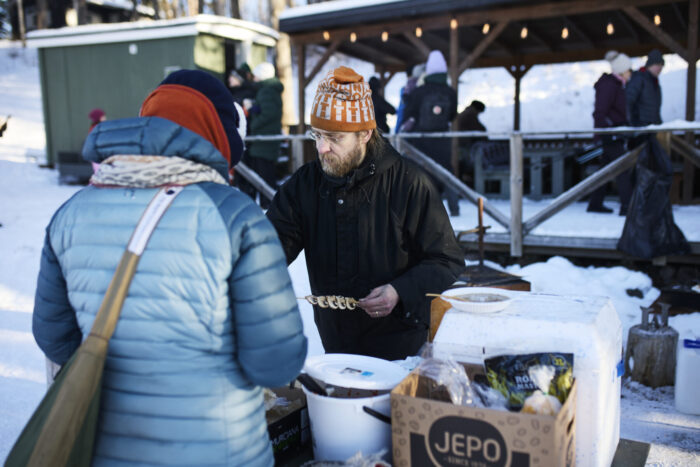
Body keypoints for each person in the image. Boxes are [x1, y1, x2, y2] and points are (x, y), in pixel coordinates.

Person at [32, 69, 307, 466]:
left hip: (109, 449)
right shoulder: (238, 217)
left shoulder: (70, 214)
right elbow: (276, 362)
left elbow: (54, 338)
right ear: (216, 137)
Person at [266, 66, 465, 361]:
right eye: (317, 135)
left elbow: (446, 260)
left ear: (365, 134)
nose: (321, 148)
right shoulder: (305, 185)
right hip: (336, 346)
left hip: (401, 346)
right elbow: (271, 245)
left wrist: (399, 290)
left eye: (334, 137)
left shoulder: (408, 183)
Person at [403, 50, 460, 216]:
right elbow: (453, 115)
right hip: (442, 140)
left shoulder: (420, 91)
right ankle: (454, 208)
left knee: (420, 173)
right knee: (446, 173)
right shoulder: (450, 91)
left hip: (422, 140)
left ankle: (421, 208)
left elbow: (409, 113)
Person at [588, 50, 634, 215]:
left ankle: (595, 203)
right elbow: (600, 112)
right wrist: (610, 130)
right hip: (610, 136)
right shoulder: (609, 86)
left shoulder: (618, 86)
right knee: (622, 169)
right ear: (622, 70)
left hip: (614, 134)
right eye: (629, 70)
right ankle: (627, 206)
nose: (631, 73)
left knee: (605, 171)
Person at [243, 61, 283, 209]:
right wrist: (255, 108)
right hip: (266, 139)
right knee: (264, 174)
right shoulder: (269, 90)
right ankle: (270, 205)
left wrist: (253, 122)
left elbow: (268, 113)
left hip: (264, 140)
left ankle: (269, 206)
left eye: (255, 75)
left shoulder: (267, 90)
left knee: (264, 175)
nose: (253, 78)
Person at [626, 49, 664, 127]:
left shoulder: (655, 83)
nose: (660, 68)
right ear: (650, 65)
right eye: (657, 65)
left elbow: (655, 108)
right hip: (640, 127)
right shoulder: (639, 78)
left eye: (661, 65)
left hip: (652, 126)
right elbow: (628, 100)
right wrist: (633, 122)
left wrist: (658, 122)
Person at [395, 63, 424, 133]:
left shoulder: (405, 90)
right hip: (418, 128)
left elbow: (401, 111)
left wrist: (397, 129)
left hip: (408, 127)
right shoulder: (422, 88)